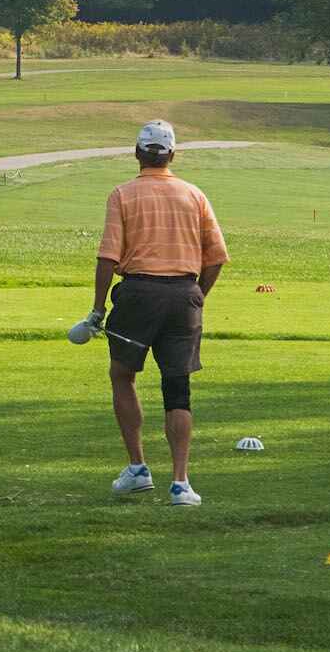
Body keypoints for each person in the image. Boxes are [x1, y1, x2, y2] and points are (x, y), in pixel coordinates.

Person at [87, 120, 228, 507]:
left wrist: (98, 308)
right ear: (172, 155)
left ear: (137, 153)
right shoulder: (194, 195)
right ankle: (181, 483)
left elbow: (108, 257)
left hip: (137, 295)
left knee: (122, 374)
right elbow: (216, 258)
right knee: (177, 387)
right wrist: (198, 293)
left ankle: (137, 468)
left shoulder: (122, 195)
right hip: (183, 296)